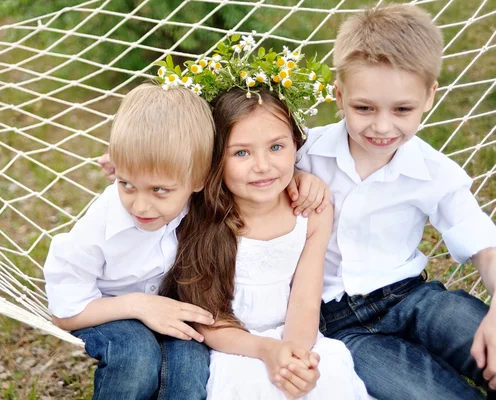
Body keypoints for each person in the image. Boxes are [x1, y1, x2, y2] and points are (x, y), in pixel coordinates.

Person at [294, 4, 496, 399]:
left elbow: (483, 244)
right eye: (363, 108)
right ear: (339, 94)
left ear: (429, 97)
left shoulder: (434, 171)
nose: (382, 126)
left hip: (411, 297)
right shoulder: (305, 154)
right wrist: (294, 177)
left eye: (402, 109)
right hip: (337, 325)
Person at [160, 86, 369, 399]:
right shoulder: (203, 216)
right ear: (216, 158)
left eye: (276, 147)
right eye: (241, 152)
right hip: (233, 347)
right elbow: (209, 321)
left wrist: (294, 358)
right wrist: (267, 351)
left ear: (296, 144)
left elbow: (305, 300)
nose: (262, 165)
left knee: (325, 381)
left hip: (294, 337)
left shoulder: (312, 213)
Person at [43, 83, 217, 400]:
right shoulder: (98, 227)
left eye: (159, 190)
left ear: (199, 180)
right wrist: (138, 306)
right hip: (104, 308)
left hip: (169, 307)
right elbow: (64, 311)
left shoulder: (199, 194)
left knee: (191, 370)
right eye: (127, 184)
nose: (139, 206)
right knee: (136, 357)